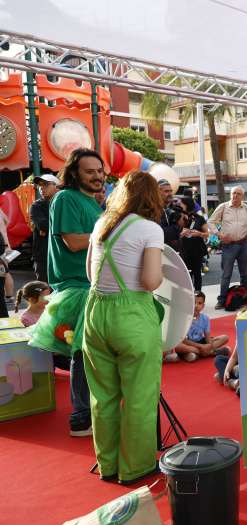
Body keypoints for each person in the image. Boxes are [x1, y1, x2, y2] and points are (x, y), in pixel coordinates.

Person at [82, 170, 164, 484]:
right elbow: (150, 281)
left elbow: (91, 274)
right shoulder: (149, 229)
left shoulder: (101, 224)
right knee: (139, 396)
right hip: (131, 315)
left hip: (95, 312)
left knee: (102, 397)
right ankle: (136, 467)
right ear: (153, 198)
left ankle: (108, 465)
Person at [29, 148, 105, 438]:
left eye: (99, 171)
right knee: (82, 353)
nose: (97, 176)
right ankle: (81, 415)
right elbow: (73, 242)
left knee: (92, 351)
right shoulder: (64, 198)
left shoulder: (91, 202)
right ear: (74, 173)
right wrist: (114, 232)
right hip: (77, 288)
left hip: (95, 286)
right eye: (90, 171)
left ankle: (93, 410)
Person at [208, 186, 247, 309]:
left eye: (238, 194)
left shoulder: (246, 208)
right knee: (226, 274)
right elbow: (211, 221)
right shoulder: (223, 207)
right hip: (228, 246)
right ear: (230, 194)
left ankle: (246, 298)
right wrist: (219, 235)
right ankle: (222, 300)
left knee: (245, 274)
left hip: (243, 244)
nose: (235, 196)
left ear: (242, 196)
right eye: (233, 193)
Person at [172, 291, 230, 363]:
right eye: (194, 303)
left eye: (199, 303)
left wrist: (209, 345)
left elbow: (207, 338)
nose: (196, 305)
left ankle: (198, 353)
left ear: (203, 306)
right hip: (189, 344)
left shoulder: (205, 318)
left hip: (201, 342)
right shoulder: (184, 318)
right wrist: (200, 347)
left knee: (225, 337)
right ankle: (210, 352)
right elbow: (183, 340)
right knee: (178, 346)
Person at [29, 173, 60, 282]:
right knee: (44, 290)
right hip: (43, 255)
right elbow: (43, 225)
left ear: (56, 186)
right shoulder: (37, 206)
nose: (41, 188)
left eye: (46, 184)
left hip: (62, 254)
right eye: (39, 185)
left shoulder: (65, 203)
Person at [178, 196, 208, 291]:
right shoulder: (178, 217)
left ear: (187, 205)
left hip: (197, 249)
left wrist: (199, 233)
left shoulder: (199, 218)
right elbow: (173, 234)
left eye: (181, 203)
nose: (179, 205)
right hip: (183, 250)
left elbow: (207, 234)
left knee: (197, 273)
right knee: (185, 275)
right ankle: (187, 296)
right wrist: (181, 233)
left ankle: (198, 295)